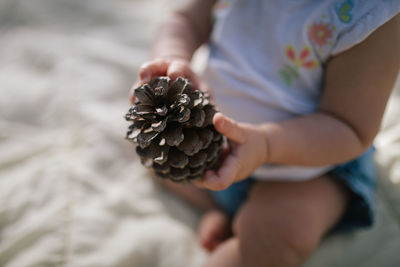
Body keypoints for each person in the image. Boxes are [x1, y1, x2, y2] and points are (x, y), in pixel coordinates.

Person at [130, 0, 400, 266]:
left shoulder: (370, 15)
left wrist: (267, 145)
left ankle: (240, 225)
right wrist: (173, 59)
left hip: (309, 166)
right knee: (151, 148)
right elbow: (185, 19)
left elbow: (349, 128)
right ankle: (221, 210)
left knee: (279, 233)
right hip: (209, 141)